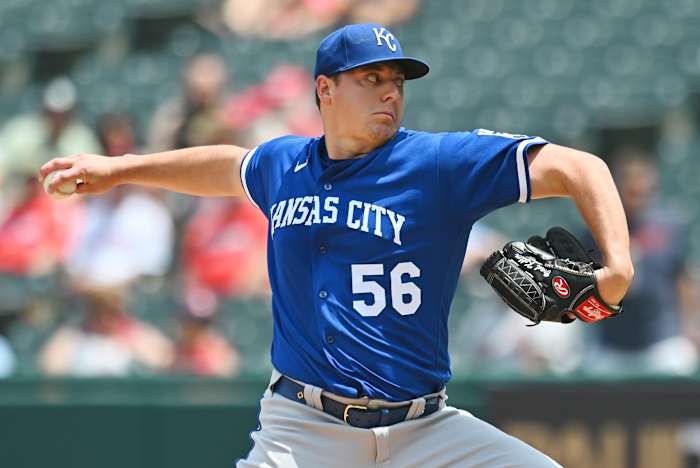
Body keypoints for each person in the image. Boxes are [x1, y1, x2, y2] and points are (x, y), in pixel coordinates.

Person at [41, 23, 634, 467]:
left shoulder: (437, 163)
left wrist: (617, 267)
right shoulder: (285, 163)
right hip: (302, 428)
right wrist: (120, 169)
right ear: (324, 89)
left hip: (427, 431)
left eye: (396, 81)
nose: (389, 94)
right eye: (370, 78)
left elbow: (580, 167)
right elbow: (227, 168)